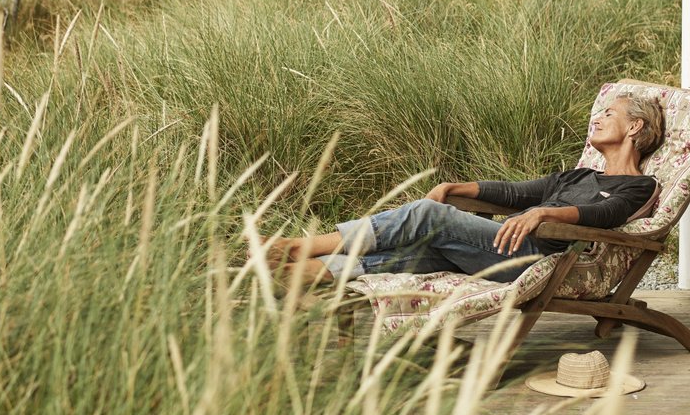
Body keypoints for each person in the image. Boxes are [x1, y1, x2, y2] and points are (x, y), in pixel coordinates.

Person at [266, 95, 664, 285]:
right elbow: (512, 193)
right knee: (419, 251)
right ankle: (301, 275)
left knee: (428, 216)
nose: (597, 119)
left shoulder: (639, 185)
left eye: (609, 113)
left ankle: (303, 246)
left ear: (634, 128)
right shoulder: (575, 176)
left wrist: (544, 214)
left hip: (536, 256)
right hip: (499, 245)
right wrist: (452, 186)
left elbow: (605, 216)